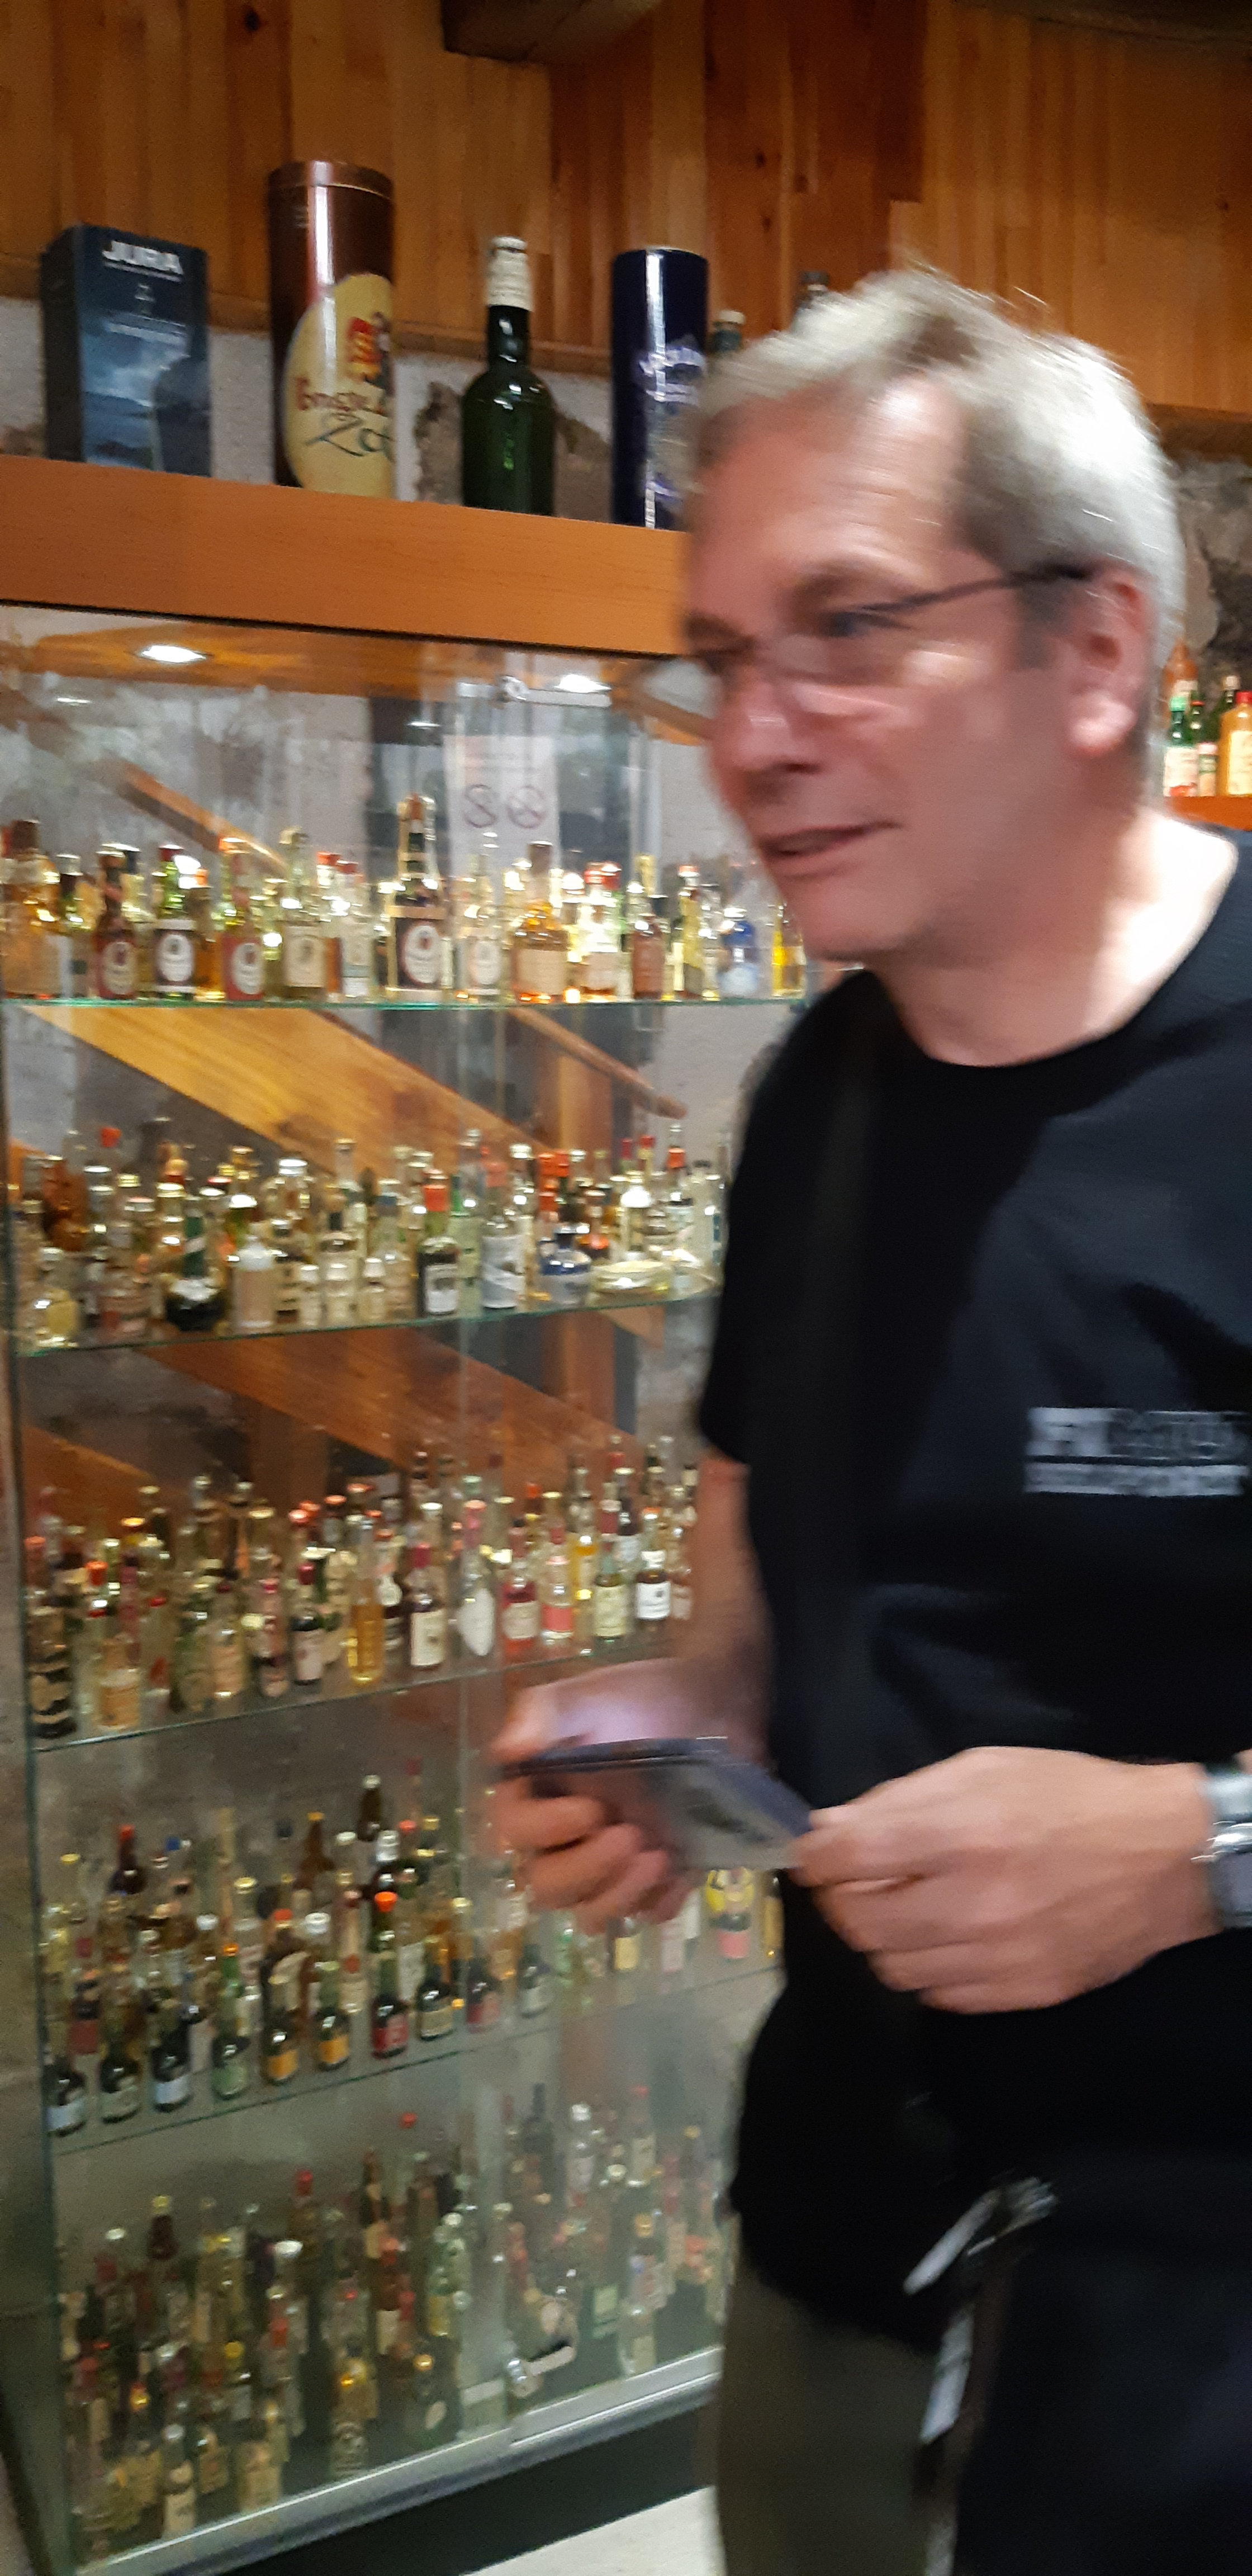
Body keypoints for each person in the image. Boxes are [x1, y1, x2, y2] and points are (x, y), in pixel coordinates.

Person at [495, 268, 1252, 2576]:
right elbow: (760, 1542)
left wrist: (1200, 1847)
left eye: (842, 628)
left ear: (1092, 649)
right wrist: (682, 1713)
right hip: (841, 2231)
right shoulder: (818, 1086)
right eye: (722, 657)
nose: (752, 736)